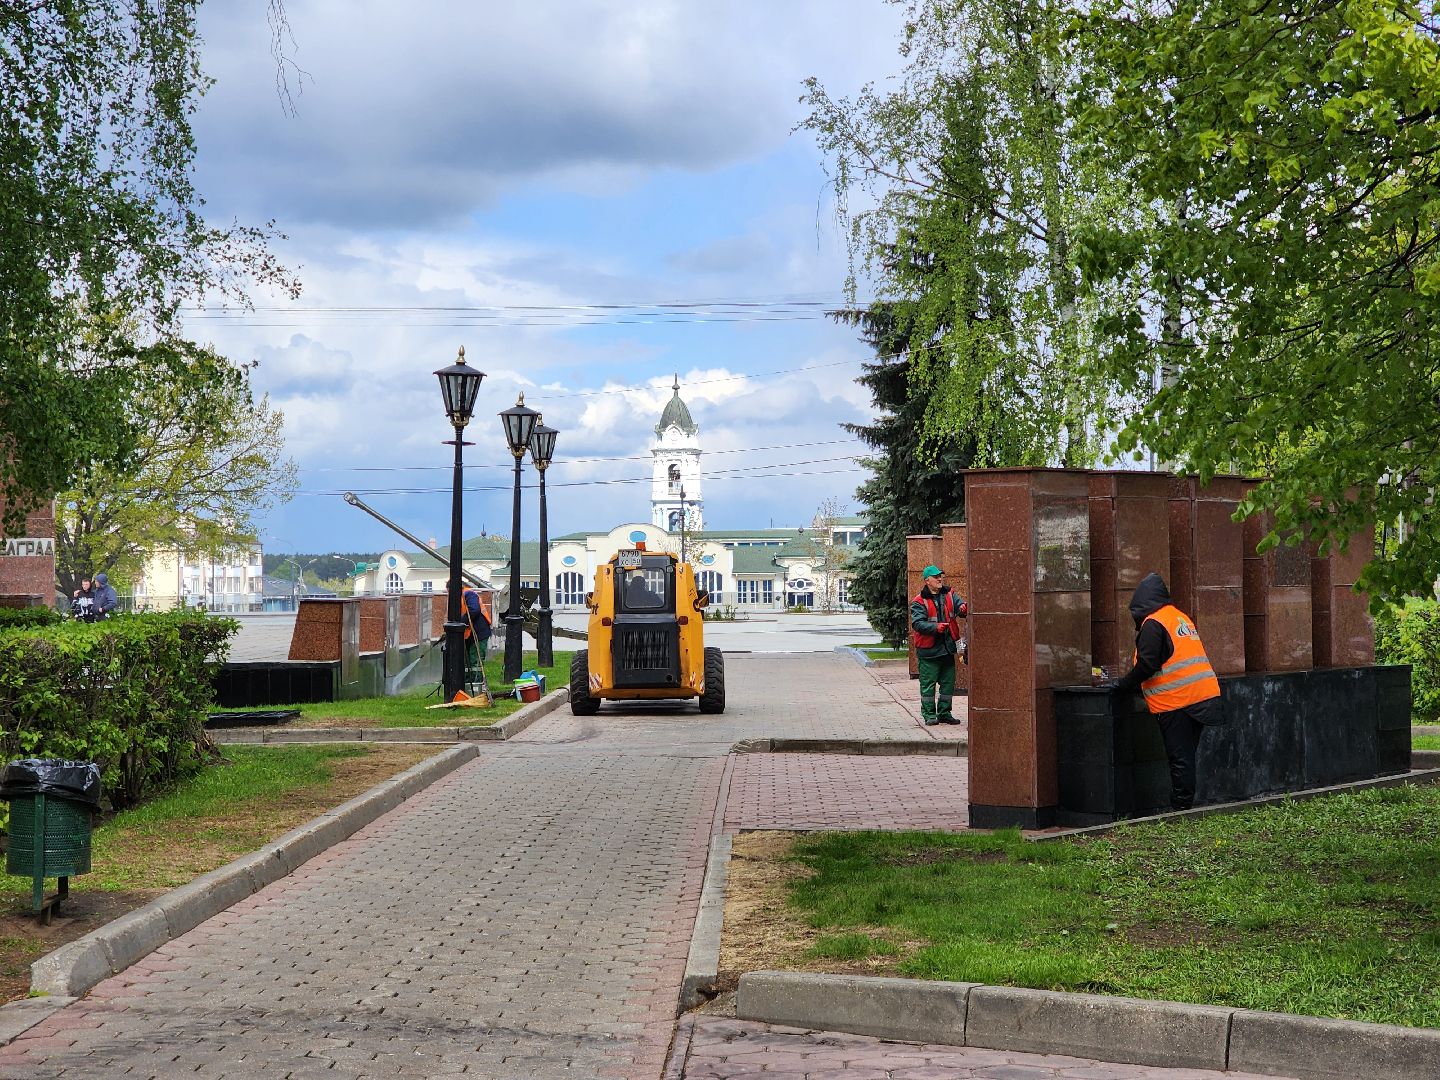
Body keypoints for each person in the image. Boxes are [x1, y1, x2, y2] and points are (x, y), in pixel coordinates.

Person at [1110, 571, 1225, 811]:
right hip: (1202, 696)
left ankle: (1181, 809)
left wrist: (1123, 684)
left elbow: (1147, 664)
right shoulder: (1179, 617)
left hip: (1178, 701)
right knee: (1186, 756)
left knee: (1180, 758)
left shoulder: (1154, 623)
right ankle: (1183, 804)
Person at [910, 565, 966, 726]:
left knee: (948, 685)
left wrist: (963, 608)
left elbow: (960, 608)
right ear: (927, 581)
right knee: (928, 686)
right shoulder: (919, 601)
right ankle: (929, 715)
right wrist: (935, 627)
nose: (939, 578)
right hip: (929, 651)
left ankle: (944, 713)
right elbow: (917, 624)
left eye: (940, 576)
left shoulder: (949, 594)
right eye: (935, 577)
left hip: (947, 648)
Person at [462, 584, 493, 671]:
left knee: (475, 661)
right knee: (467, 662)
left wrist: (461, 622)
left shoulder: (468, 594)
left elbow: (474, 610)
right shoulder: (462, 596)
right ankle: (467, 678)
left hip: (479, 633)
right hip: (469, 634)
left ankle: (477, 679)